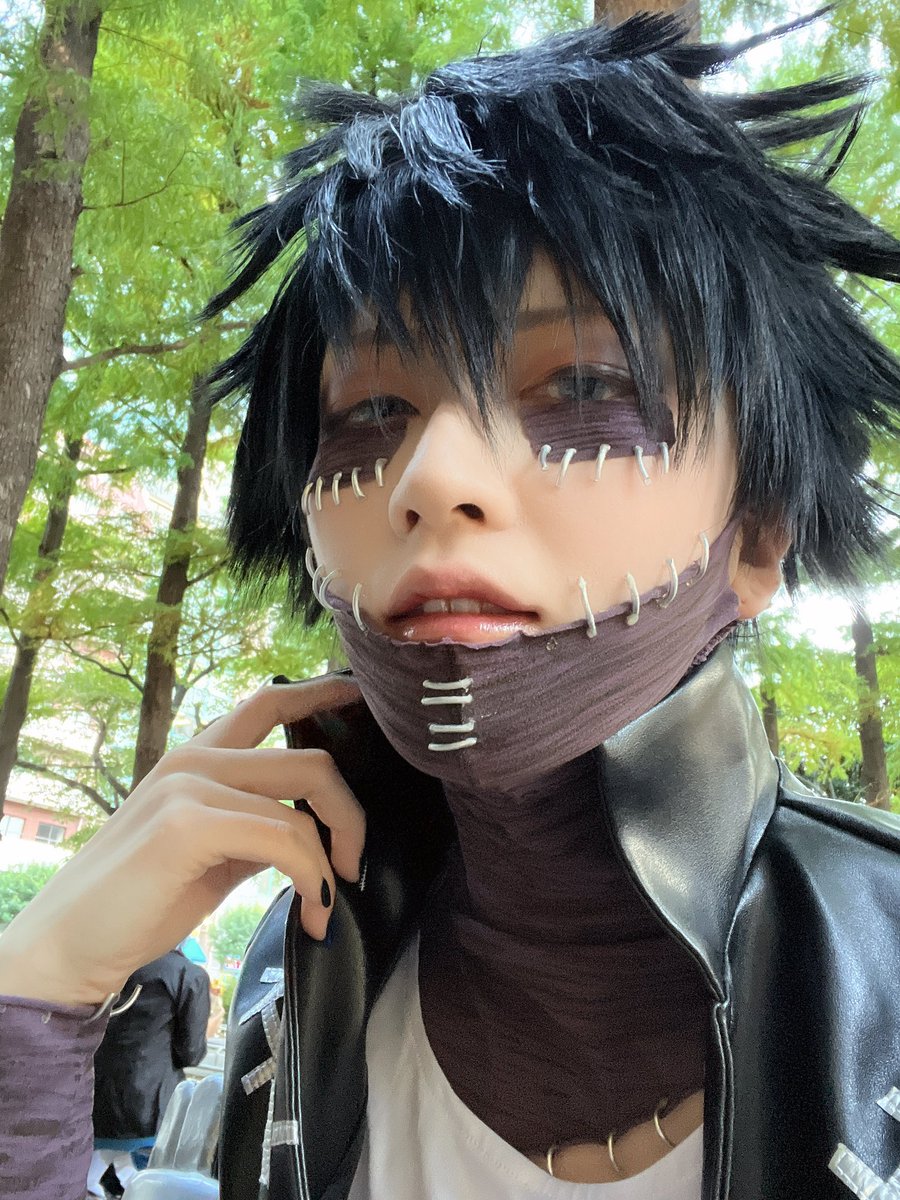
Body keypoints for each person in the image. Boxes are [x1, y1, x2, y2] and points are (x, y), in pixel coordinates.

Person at [0, 12, 898, 1200]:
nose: (430, 482)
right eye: (371, 413)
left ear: (763, 533)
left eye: (582, 383)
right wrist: (32, 1002)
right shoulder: (302, 971)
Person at [86, 947, 210, 1197]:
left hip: (91, 1098)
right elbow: (191, 1053)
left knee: (89, 1179)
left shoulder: (104, 962)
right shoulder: (188, 975)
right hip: (151, 1108)